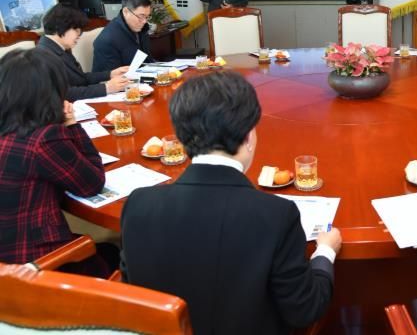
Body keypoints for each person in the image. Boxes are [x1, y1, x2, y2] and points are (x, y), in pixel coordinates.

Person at [120, 71, 341, 334]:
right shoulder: (276, 215)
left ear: (181, 135)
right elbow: (305, 309)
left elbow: (132, 291)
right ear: (248, 136)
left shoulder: (138, 205)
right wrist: (324, 253)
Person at [0, 49, 114, 276]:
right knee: (114, 253)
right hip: (35, 267)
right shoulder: (44, 139)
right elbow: (92, 183)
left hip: (6, 256)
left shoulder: (9, 130)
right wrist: (71, 123)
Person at [37, 4, 130, 101]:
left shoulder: (59, 47)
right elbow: (64, 93)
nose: (79, 35)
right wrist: (106, 88)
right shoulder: (43, 56)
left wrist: (110, 74)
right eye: (76, 30)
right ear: (61, 27)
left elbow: (80, 78)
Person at [92, 0, 153, 73]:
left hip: (140, 74)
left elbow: (147, 60)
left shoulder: (142, 29)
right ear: (126, 11)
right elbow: (113, 76)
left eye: (147, 17)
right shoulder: (108, 40)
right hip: (120, 79)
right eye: (141, 16)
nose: (144, 21)